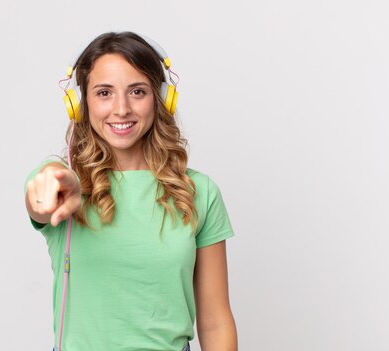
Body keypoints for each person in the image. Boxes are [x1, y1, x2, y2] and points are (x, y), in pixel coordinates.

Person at [25, 32, 237, 351]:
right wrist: (54, 183)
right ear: (81, 104)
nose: (121, 109)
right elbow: (41, 198)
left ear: (161, 97)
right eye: (104, 93)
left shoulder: (199, 192)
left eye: (137, 91)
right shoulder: (63, 182)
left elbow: (216, 321)